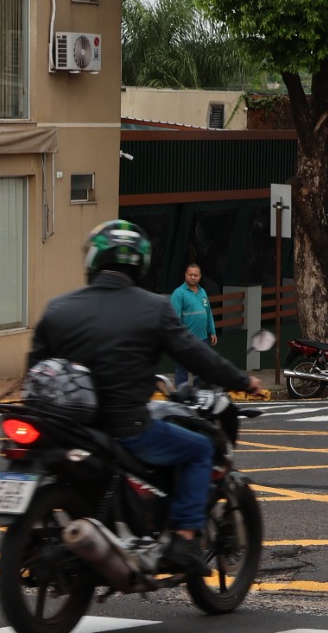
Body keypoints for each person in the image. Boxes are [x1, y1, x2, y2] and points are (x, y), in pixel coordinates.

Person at [26, 221, 264, 576]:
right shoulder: (153, 307)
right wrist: (242, 380)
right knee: (200, 449)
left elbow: (35, 368)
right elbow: (196, 356)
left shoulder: (59, 307)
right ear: (141, 263)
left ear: (93, 259)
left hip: (64, 428)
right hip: (126, 427)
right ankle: (184, 539)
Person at [169, 261, 217, 386]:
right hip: (184, 340)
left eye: (196, 275)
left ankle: (199, 395)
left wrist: (212, 331)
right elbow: (174, 319)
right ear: (185, 275)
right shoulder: (178, 293)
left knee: (202, 372)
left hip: (202, 339)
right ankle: (181, 396)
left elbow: (208, 312)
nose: (193, 277)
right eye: (190, 274)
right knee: (182, 372)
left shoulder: (203, 292)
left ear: (200, 276)